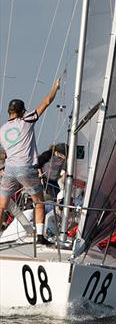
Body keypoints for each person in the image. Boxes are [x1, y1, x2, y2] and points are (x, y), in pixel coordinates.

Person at [0, 76, 61, 245]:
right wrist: (55, 87)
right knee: (39, 202)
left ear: (9, 112)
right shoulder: (26, 121)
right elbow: (47, 101)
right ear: (21, 112)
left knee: (1, 206)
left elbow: (5, 152)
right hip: (26, 169)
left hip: (10, 170)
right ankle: (41, 237)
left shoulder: (2, 129)